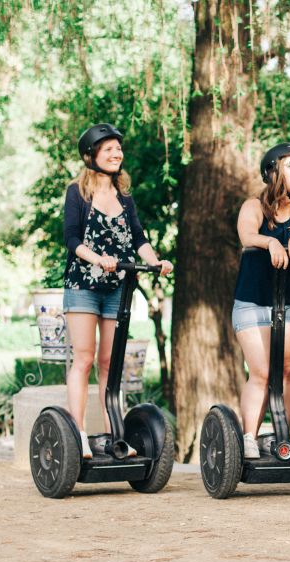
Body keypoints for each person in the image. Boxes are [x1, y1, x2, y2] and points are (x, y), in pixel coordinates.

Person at [62, 123, 173, 459]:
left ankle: (115, 436)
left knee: (110, 362)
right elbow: (71, 239)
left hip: (117, 288)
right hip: (83, 285)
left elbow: (139, 239)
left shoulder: (124, 196)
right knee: (83, 358)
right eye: (108, 149)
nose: (116, 154)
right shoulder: (77, 193)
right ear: (91, 155)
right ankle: (78, 434)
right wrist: (98, 259)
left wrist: (156, 262)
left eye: (118, 149)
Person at [232, 143, 290, 459]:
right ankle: (249, 438)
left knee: (285, 371)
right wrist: (271, 241)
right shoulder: (253, 206)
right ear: (273, 170)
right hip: (254, 301)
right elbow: (246, 235)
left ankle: (283, 437)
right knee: (260, 371)